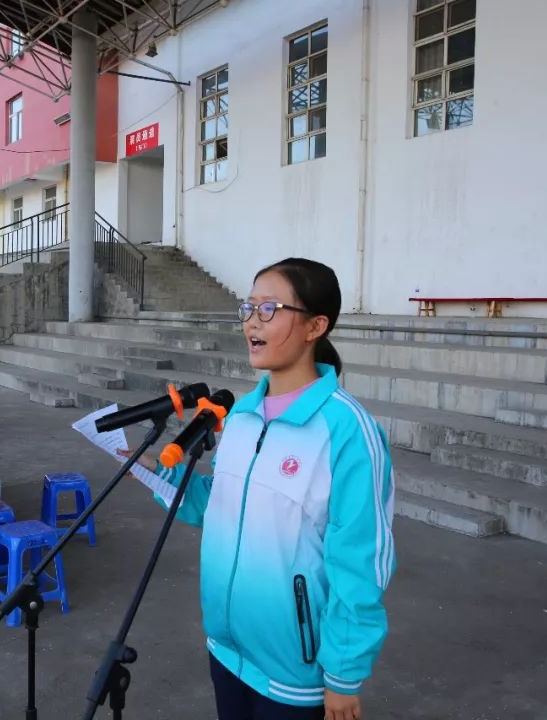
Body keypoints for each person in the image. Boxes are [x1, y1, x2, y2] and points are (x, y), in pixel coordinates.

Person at [126, 258, 395, 720]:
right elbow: (219, 505)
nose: (251, 321)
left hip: (294, 671)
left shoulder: (346, 430)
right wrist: (156, 471)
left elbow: (359, 560)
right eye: (248, 308)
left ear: (315, 326)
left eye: (269, 308)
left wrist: (344, 676)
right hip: (226, 646)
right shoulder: (244, 416)